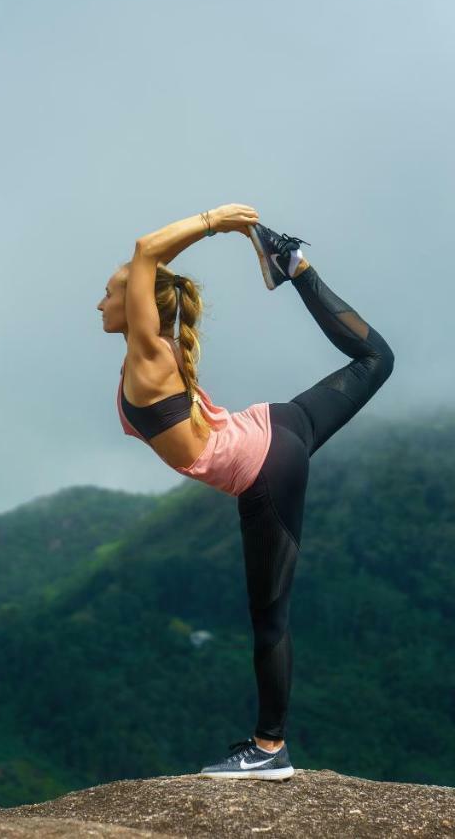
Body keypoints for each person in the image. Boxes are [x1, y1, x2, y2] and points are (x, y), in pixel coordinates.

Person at [99, 205, 395, 781]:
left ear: (137, 305)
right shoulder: (159, 353)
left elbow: (145, 251)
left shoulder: (149, 353)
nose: (101, 302)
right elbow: (143, 262)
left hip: (264, 467)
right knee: (376, 359)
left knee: (270, 620)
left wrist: (220, 219)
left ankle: (269, 748)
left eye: (111, 293)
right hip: (278, 425)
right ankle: (296, 266)